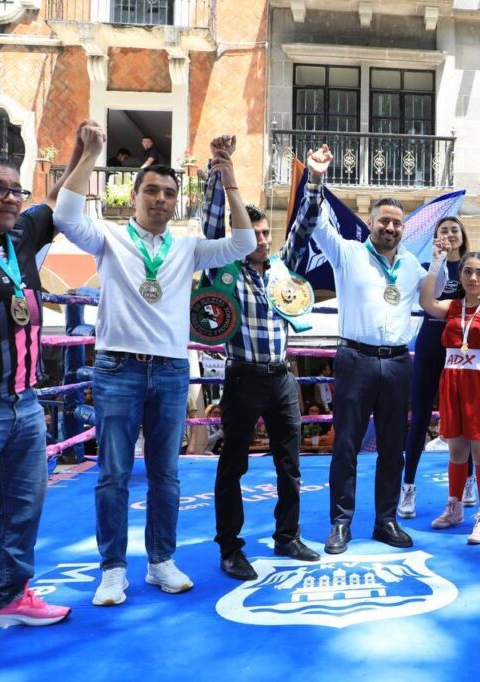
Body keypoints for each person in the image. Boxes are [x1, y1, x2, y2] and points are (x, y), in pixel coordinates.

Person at [54, 123, 255, 605]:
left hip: (168, 370)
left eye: (168, 192)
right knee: (113, 473)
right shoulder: (109, 237)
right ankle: (113, 568)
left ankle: (161, 560)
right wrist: (90, 153)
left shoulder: (186, 247)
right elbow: (64, 215)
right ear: (135, 194)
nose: (160, 199)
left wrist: (228, 176)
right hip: (118, 369)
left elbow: (244, 243)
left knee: (166, 474)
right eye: (152, 190)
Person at [289, 145, 446, 555]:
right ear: (370, 223)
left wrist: (445, 258)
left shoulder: (413, 265)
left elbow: (435, 299)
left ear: (403, 228)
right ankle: (340, 523)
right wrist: (317, 178)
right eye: (383, 221)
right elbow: (317, 223)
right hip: (355, 358)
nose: (390, 228)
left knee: (393, 446)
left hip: (397, 363)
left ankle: (386, 520)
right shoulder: (347, 252)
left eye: (397, 222)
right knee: (346, 446)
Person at [0, 152, 74, 659]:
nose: (10, 198)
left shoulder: (20, 238)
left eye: (15, 190)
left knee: (22, 509)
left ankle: (7, 597)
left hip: (24, 402)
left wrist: (86, 153)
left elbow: (57, 203)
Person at [202, 161, 322, 580]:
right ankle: (230, 548)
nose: (264, 238)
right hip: (242, 377)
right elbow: (212, 223)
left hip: (282, 377)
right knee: (233, 463)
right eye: (255, 233)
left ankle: (287, 536)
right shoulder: (223, 269)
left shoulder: (283, 270)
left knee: (289, 463)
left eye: (267, 232)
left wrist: (316, 181)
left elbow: (304, 227)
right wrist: (221, 174)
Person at [421, 247, 480, 543]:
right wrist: (437, 262)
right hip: (451, 379)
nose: (473, 277)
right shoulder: (452, 306)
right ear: (460, 275)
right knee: (456, 450)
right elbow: (426, 302)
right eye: (467, 271)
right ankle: (455, 507)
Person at [399, 217, 479, 519]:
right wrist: (437, 261)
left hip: (461, 346)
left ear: (462, 236)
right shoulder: (427, 266)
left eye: (453, 230)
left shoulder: (473, 268)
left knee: (464, 418)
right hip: (431, 341)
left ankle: (469, 481)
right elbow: (426, 301)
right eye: (443, 230)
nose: (448, 234)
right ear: (435, 237)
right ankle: (408, 487)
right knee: (419, 417)